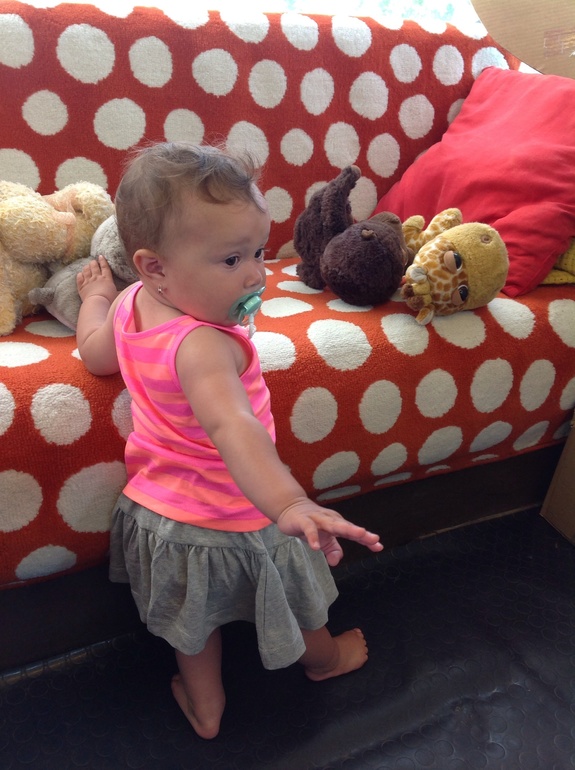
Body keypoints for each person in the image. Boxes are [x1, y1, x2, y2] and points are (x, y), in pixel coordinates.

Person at [76, 141, 383, 740]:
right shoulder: (204, 344)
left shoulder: (131, 305)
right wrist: (288, 503)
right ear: (155, 268)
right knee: (293, 602)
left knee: (193, 626)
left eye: (259, 252)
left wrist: (95, 298)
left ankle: (206, 704)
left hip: (162, 515)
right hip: (239, 513)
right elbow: (232, 425)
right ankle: (324, 661)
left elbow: (94, 355)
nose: (255, 274)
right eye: (231, 260)